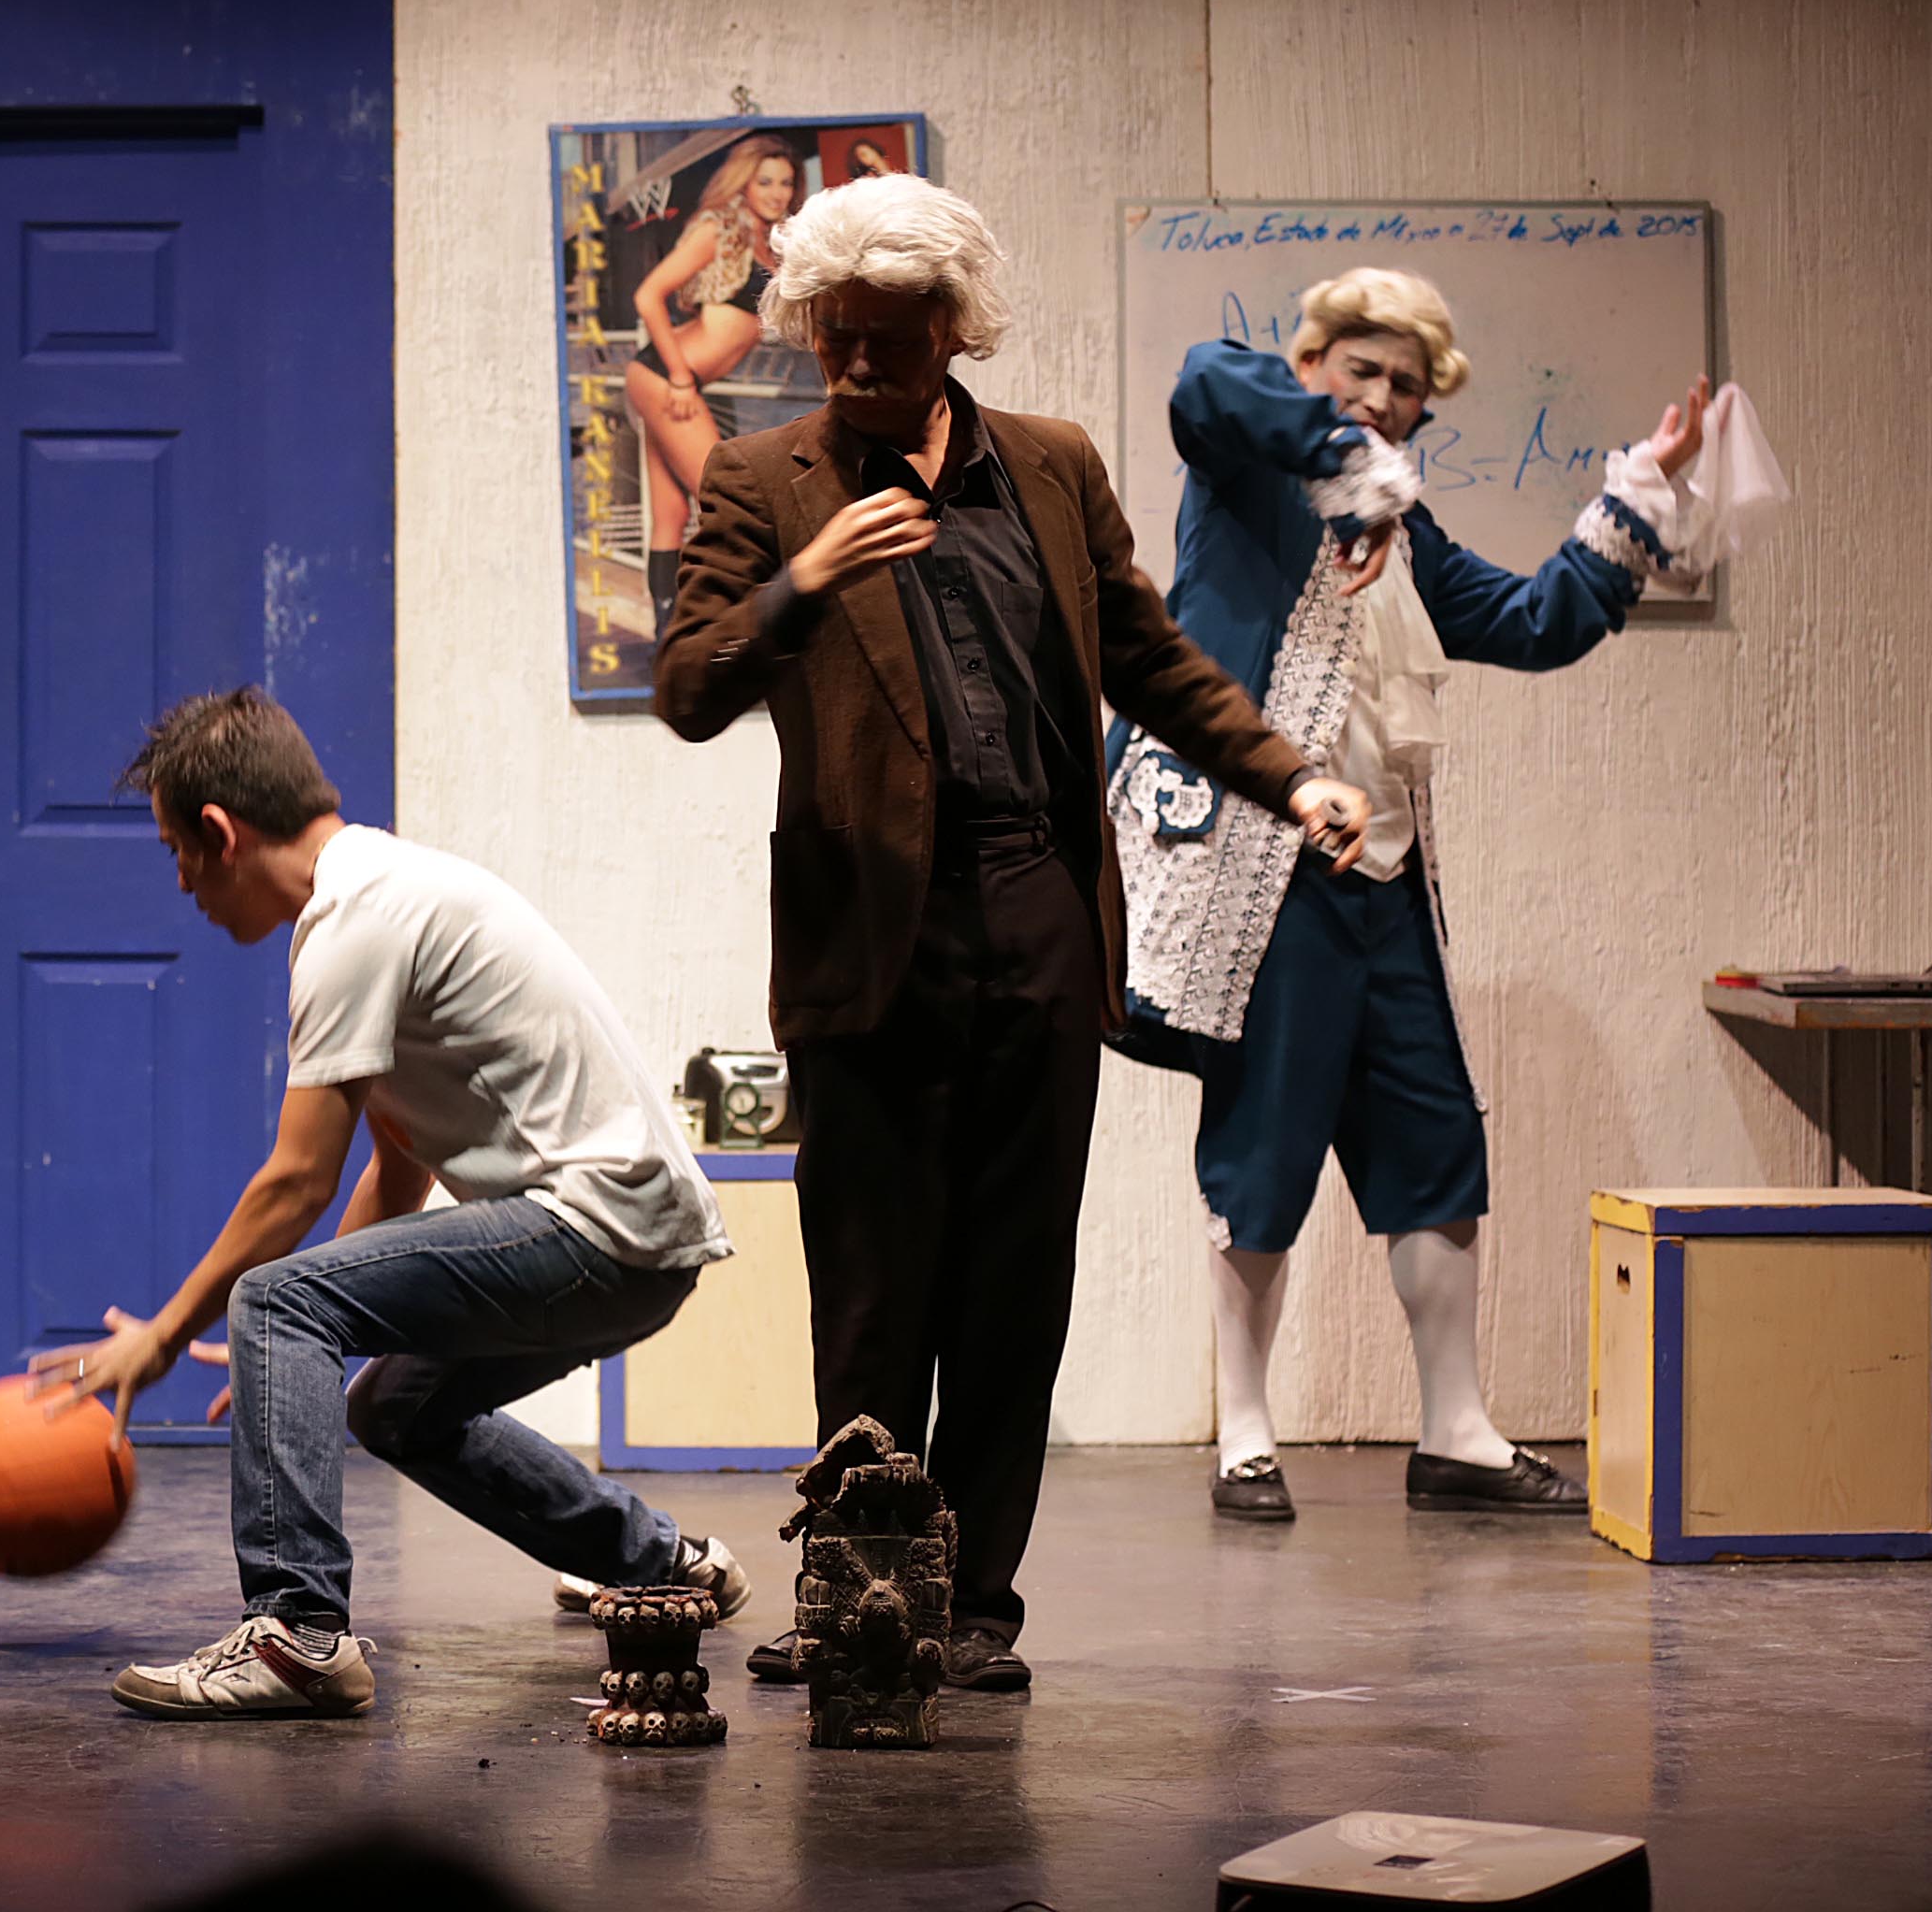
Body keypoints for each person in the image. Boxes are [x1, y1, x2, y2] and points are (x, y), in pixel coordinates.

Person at [653, 173, 1373, 1693]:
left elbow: (1151, 659)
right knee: (870, 1292)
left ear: (953, 329)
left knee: (1010, 1287)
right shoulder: (766, 481)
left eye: (889, 337)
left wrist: (1289, 774)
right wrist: (806, 580)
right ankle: (858, 1591)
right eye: (834, 335)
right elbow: (691, 685)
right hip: (871, 933)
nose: (857, 364)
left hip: (1039, 914)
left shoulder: (1049, 465)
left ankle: (972, 1606)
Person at [1111, 271, 1705, 1523]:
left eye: (1404, 386)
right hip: (1267, 872)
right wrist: (1344, 462)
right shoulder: (1248, 475)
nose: (1380, 398)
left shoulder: (1410, 538)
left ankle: (1456, 1432)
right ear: (1313, 366)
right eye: (1360, 371)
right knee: (1264, 1149)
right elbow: (1205, 381)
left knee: (1435, 1146)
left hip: (1383, 881)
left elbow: (1535, 623)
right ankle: (1246, 1433)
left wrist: (1639, 492)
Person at [43, 689, 742, 1719]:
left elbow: (296, 1181)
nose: (182, 881)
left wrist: (177, 1332)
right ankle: (662, 1563)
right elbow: (400, 1160)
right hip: (644, 1244)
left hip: (597, 1229)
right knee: (392, 1407)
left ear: (220, 832)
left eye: (177, 852)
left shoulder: (352, 920)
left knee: (272, 1299)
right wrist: (298, 1352)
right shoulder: (384, 888)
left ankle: (297, 1636)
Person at [623, 134, 803, 632]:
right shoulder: (719, 229)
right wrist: (682, 378)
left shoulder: (771, 243)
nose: (776, 193)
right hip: (668, 378)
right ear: (743, 183)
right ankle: (739, 628)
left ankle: (667, 635)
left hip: (668, 378)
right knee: (729, 505)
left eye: (786, 183)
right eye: (764, 181)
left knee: (670, 515)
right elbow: (648, 296)